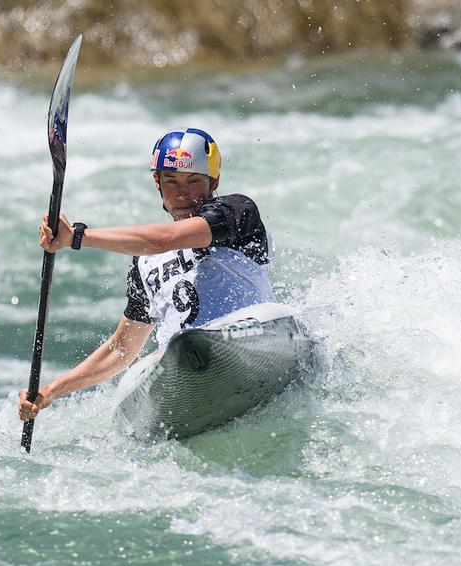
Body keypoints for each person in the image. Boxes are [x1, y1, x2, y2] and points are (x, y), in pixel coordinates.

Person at [18, 127, 276, 421]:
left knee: (191, 341)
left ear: (213, 180)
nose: (183, 193)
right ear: (157, 182)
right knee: (174, 347)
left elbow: (165, 239)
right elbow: (122, 348)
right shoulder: (144, 264)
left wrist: (77, 237)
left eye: (194, 181)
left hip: (248, 341)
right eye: (171, 181)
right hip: (186, 364)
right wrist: (51, 391)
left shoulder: (237, 212)